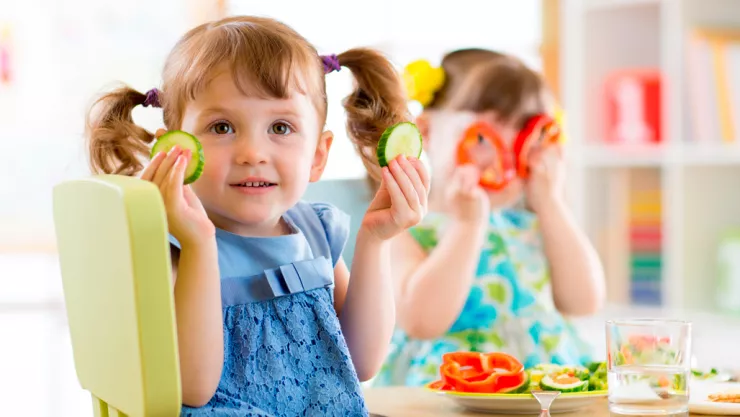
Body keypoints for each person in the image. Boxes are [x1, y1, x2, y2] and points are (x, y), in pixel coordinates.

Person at [86, 15, 430, 416]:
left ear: (318, 156)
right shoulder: (172, 245)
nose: (253, 152)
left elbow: (361, 363)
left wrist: (375, 240)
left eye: (281, 127)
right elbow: (194, 389)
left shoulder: (316, 232)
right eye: (222, 126)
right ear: (171, 152)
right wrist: (199, 245)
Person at [372, 49, 605, 387]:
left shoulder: (532, 226)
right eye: (483, 138)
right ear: (428, 131)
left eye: (526, 140)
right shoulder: (403, 226)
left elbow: (585, 301)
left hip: (543, 387)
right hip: (453, 389)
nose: (505, 160)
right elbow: (421, 320)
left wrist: (551, 202)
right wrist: (468, 225)